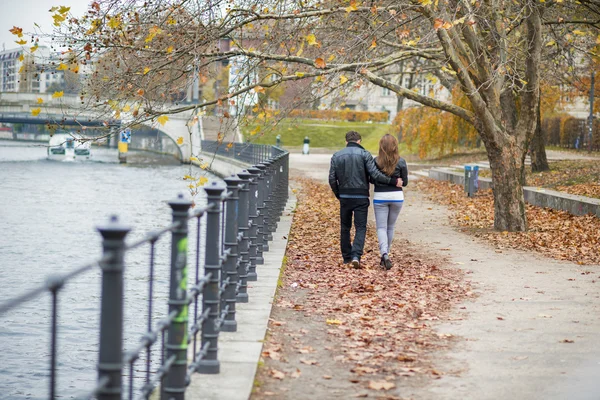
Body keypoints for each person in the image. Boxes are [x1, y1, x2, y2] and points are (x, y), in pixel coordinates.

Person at [329, 131, 402, 269]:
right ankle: (356, 256)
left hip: (345, 197)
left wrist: (338, 193)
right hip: (361, 197)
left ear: (346, 141)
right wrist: (392, 181)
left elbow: (332, 178)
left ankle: (346, 257)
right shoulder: (365, 155)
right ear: (359, 141)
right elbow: (375, 174)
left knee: (345, 227)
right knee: (360, 227)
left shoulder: (336, 156)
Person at [371, 134, 408, 270]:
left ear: (381, 146)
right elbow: (405, 182)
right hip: (397, 197)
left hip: (380, 196)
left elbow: (373, 179)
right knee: (390, 227)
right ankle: (386, 255)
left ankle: (384, 253)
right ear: (395, 146)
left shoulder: (376, 161)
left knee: (381, 227)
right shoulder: (402, 161)